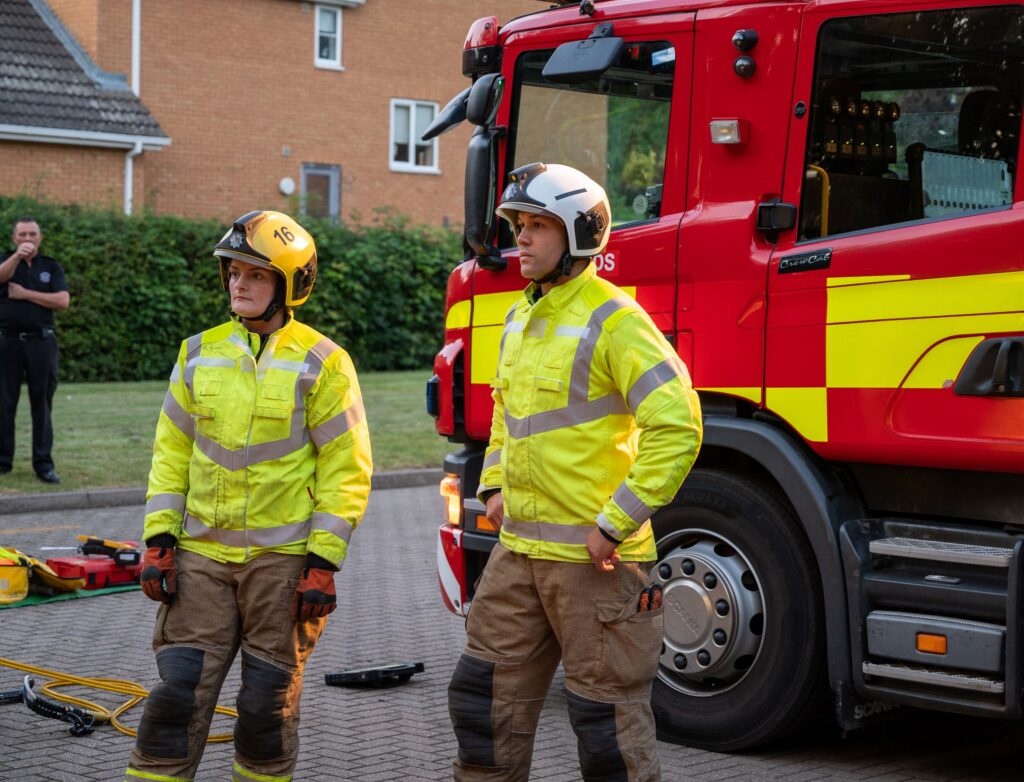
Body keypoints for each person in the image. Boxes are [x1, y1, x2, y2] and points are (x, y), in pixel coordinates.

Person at [448, 163, 703, 782]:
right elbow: (509, 413)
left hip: (597, 566)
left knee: (605, 730)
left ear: (580, 236)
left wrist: (615, 525)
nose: (522, 240)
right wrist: (494, 485)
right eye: (518, 226)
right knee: (481, 705)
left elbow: (679, 426)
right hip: (518, 557)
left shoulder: (615, 320)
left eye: (539, 226)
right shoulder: (518, 317)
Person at [125, 210, 372, 782]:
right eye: (233, 271)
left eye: (255, 275)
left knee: (265, 709)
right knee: (174, 700)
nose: (239, 283)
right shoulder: (197, 353)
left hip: (282, 566)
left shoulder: (324, 363)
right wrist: (160, 541)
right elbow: (170, 456)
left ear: (289, 285)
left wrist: (322, 563)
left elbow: (347, 468)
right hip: (200, 559)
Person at [0, 217, 70, 483]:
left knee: (42, 404)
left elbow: (62, 300)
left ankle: (43, 464)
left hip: (41, 343)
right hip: (7, 342)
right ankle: (3, 461)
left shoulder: (50, 267)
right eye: (22, 235)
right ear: (14, 238)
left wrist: (24, 293)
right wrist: (16, 257)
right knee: (4, 403)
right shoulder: (6, 261)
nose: (27, 239)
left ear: (40, 238)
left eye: (32, 234)